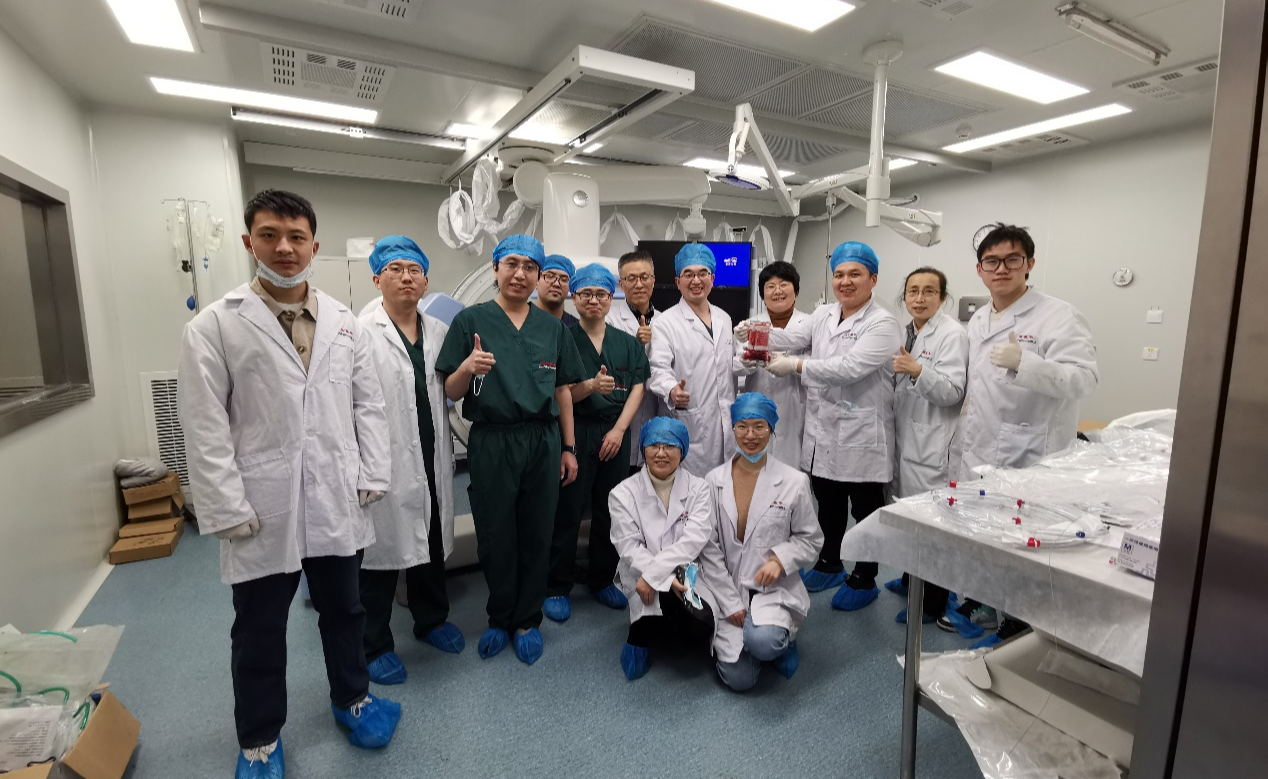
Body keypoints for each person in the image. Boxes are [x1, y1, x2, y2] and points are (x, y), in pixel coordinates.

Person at [178, 190, 400, 779]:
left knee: (345, 609)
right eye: (270, 235)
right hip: (261, 502)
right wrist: (225, 505)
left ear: (313, 246)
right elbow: (203, 425)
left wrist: (373, 472)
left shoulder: (344, 323)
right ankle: (258, 739)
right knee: (259, 628)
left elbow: (369, 405)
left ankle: (353, 698)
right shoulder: (215, 325)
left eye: (296, 237)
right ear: (249, 241)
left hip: (336, 494)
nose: (284, 247)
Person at [436, 234, 586, 665]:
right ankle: (500, 617)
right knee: (496, 533)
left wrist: (569, 447)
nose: (520, 274)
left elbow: (562, 391)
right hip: (492, 440)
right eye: (512, 264)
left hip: (542, 440)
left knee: (538, 532)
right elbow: (450, 391)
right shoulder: (471, 321)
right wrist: (468, 367)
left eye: (530, 267)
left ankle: (527, 621)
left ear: (538, 276)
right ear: (496, 269)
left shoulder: (553, 328)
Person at [952, 223, 1098, 648]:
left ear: (1029, 264)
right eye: (991, 261)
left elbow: (1084, 379)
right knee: (985, 533)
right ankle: (986, 601)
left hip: (1031, 452)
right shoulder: (980, 318)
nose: (1001, 269)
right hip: (980, 447)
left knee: (1022, 541)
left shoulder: (1059, 315)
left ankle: (1018, 625)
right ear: (980, 269)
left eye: (1012, 259)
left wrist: (1027, 364)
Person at [737, 241, 900, 612]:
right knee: (828, 501)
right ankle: (829, 562)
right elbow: (794, 337)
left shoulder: (883, 323)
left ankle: (865, 577)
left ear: (873, 279)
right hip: (825, 428)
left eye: (855, 274)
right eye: (839, 274)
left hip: (862, 433)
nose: (845, 281)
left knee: (865, 510)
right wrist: (755, 333)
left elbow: (850, 367)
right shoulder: (825, 314)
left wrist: (796, 366)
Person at [356, 236, 465, 688]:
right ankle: (374, 645)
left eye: (414, 270)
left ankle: (431, 619)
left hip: (432, 451)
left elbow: (450, 390)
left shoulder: (438, 331)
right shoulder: (359, 332)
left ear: (425, 281)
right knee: (379, 554)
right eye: (395, 269)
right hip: (382, 459)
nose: (406, 277)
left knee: (431, 542)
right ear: (376, 278)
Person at [544, 264, 648, 622]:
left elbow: (638, 387)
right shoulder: (563, 340)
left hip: (614, 432)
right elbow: (559, 393)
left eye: (601, 294)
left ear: (610, 298)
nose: (593, 300)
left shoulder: (627, 342)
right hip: (575, 430)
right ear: (574, 298)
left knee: (611, 509)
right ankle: (557, 585)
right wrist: (588, 387)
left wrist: (619, 430)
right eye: (586, 294)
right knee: (568, 509)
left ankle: (603, 578)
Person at [705, 394, 823, 692]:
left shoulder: (794, 482)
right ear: (733, 428)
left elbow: (811, 539)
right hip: (729, 586)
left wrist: (780, 560)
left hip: (773, 589)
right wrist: (730, 602)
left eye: (759, 426)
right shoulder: (714, 480)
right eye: (742, 426)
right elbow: (708, 547)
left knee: (766, 643)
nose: (750, 435)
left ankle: (779, 640)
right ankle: (751, 642)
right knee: (740, 681)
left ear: (771, 429)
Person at [608, 418, 727, 681]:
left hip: (685, 569)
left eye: (670, 446)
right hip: (640, 570)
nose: (661, 453)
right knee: (649, 613)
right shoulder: (622, 493)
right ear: (643, 449)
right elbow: (628, 545)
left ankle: (667, 620)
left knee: (699, 626)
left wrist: (656, 576)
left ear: (682, 451)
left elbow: (693, 540)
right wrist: (658, 577)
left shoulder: (699, 488)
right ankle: (639, 635)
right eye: (654, 445)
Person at [882, 267, 968, 626]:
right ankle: (909, 579)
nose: (919, 298)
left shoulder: (952, 334)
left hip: (932, 442)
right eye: (913, 291)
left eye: (929, 291)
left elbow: (953, 392)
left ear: (942, 298)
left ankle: (932, 601)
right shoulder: (907, 331)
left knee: (932, 527)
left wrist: (918, 371)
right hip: (907, 438)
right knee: (909, 517)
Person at [647, 243, 736, 477]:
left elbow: (728, 365)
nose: (696, 280)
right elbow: (657, 368)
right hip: (688, 422)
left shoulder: (724, 319)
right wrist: (671, 389)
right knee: (687, 491)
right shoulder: (665, 323)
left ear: (712, 278)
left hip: (724, 427)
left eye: (702, 273)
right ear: (678, 282)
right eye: (688, 274)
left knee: (721, 489)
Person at [734, 261, 809, 468]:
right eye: (770, 286)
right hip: (758, 409)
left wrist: (793, 365)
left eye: (784, 285)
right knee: (758, 472)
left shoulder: (810, 324)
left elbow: (818, 364)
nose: (777, 291)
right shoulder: (749, 325)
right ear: (762, 293)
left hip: (797, 411)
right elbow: (736, 365)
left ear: (795, 290)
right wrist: (747, 361)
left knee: (795, 476)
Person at [605, 249, 662, 476]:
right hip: (619, 423)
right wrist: (635, 345)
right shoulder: (609, 321)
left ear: (653, 280)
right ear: (621, 283)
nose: (639, 284)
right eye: (631, 279)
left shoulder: (667, 321)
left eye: (644, 277)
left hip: (656, 419)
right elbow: (609, 368)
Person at [535, 253, 579, 327]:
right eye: (550, 276)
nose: (556, 284)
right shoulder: (520, 323)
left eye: (564, 279)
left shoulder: (575, 329)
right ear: (536, 281)